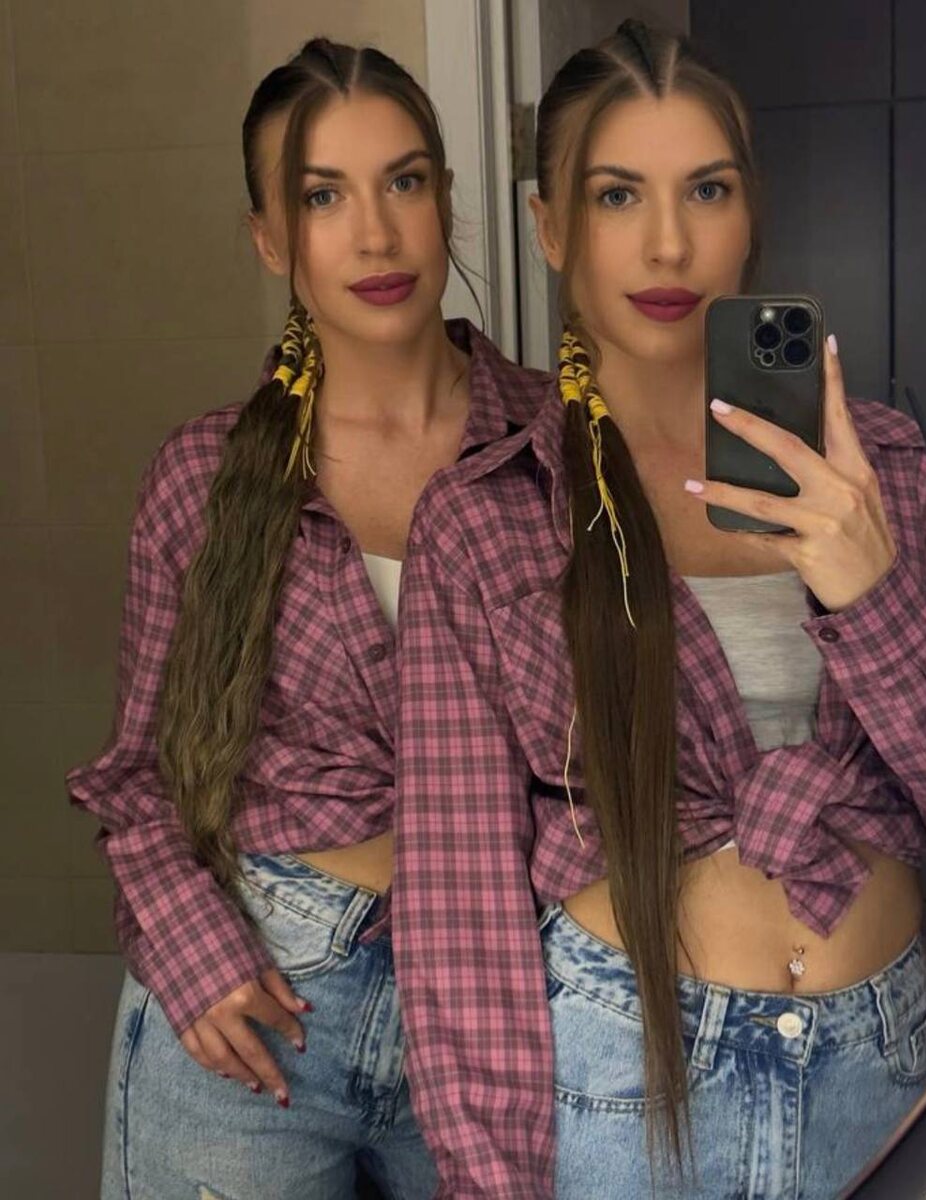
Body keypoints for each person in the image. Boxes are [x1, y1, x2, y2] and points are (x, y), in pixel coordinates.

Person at [394, 19, 926, 1199]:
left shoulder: (896, 477)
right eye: (618, 195)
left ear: (750, 211)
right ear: (550, 226)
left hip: (879, 1070)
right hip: (621, 1076)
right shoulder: (487, 517)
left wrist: (868, 589)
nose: (669, 241)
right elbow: (458, 912)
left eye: (706, 189)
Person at [66, 37, 549, 1200]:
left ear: (446, 200)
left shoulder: (559, 453)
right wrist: (194, 954)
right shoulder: (204, 477)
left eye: (403, 181)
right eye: (323, 196)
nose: (375, 235)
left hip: (500, 1015)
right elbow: (138, 780)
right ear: (271, 238)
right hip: (259, 1012)